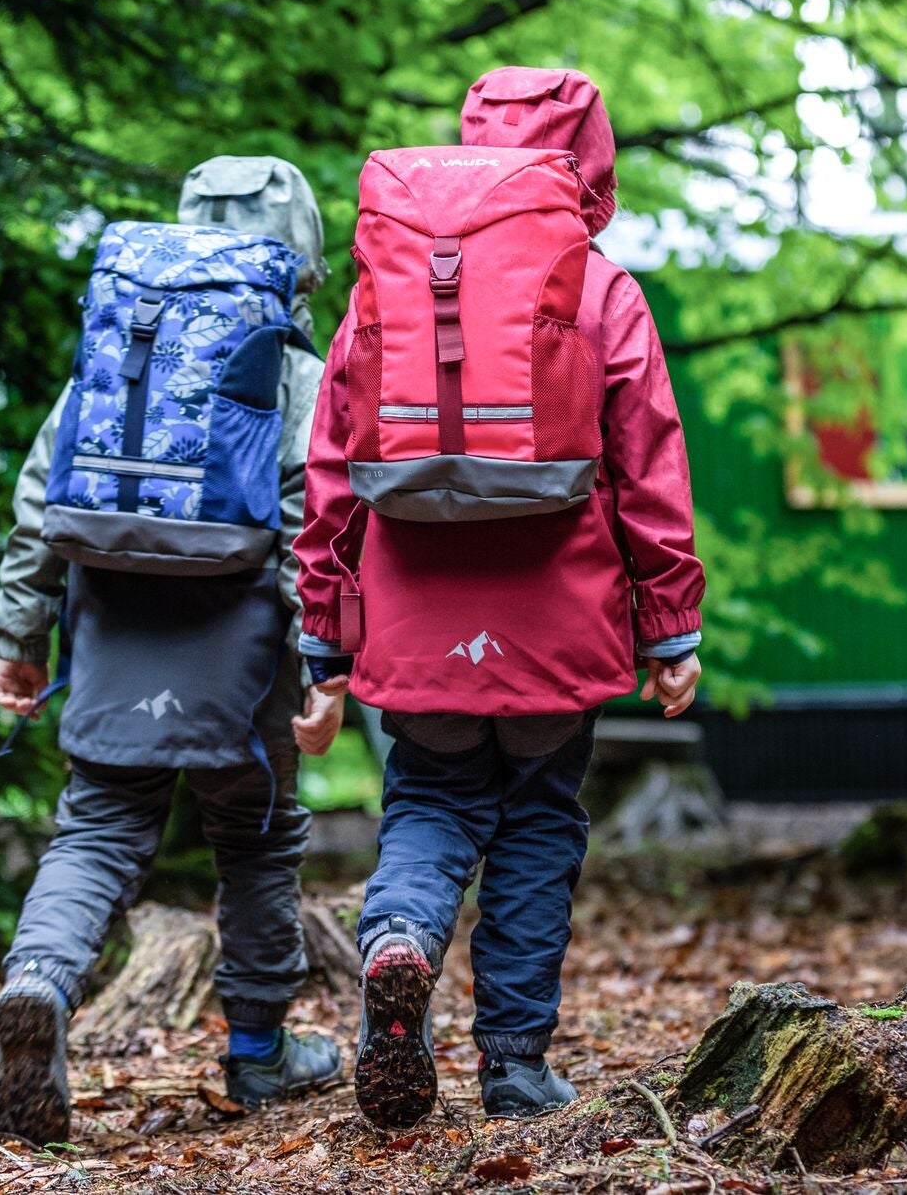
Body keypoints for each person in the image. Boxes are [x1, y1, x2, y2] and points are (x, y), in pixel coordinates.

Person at [293, 68, 705, 1127]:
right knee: (535, 824)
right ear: (590, 160)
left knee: (428, 803)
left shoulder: (384, 282)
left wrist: (324, 642)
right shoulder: (599, 288)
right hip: (554, 611)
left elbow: (331, 468)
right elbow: (647, 465)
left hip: (415, 610)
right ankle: (515, 1065)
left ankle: (395, 946)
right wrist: (670, 628)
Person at [0, 156, 347, 1146]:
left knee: (97, 827)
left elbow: (38, 501)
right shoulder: (294, 371)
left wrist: (20, 635)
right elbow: (307, 527)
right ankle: (260, 1052)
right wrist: (324, 663)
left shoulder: (120, 343)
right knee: (257, 837)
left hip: (110, 630)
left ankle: (38, 982)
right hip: (240, 650)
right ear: (306, 262)